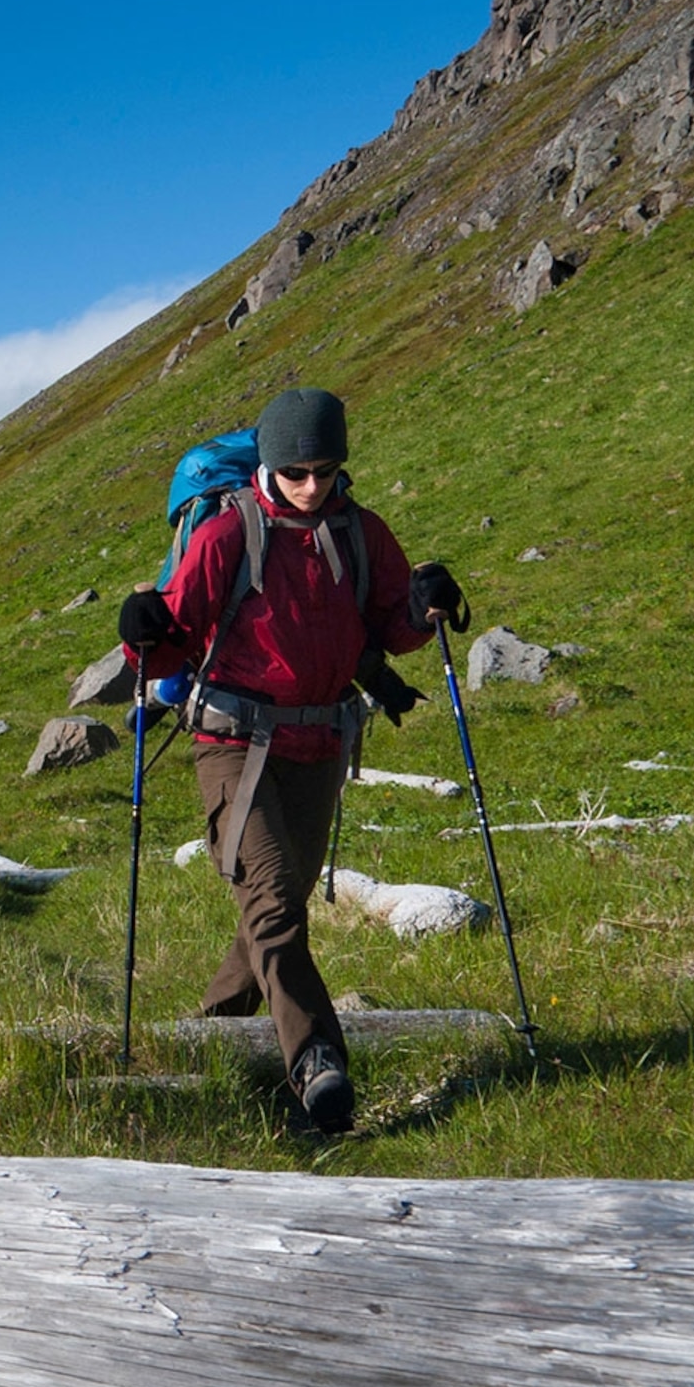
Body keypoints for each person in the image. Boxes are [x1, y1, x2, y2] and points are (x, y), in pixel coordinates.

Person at [115, 387, 467, 1134]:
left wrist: (424, 603)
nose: (313, 486)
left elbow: (390, 625)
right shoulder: (227, 536)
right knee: (272, 898)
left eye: (328, 470)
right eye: (298, 471)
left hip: (318, 746)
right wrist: (140, 631)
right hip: (232, 743)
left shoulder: (361, 533)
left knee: (270, 918)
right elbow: (173, 639)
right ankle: (318, 1066)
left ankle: (210, 1039)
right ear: (271, 464)